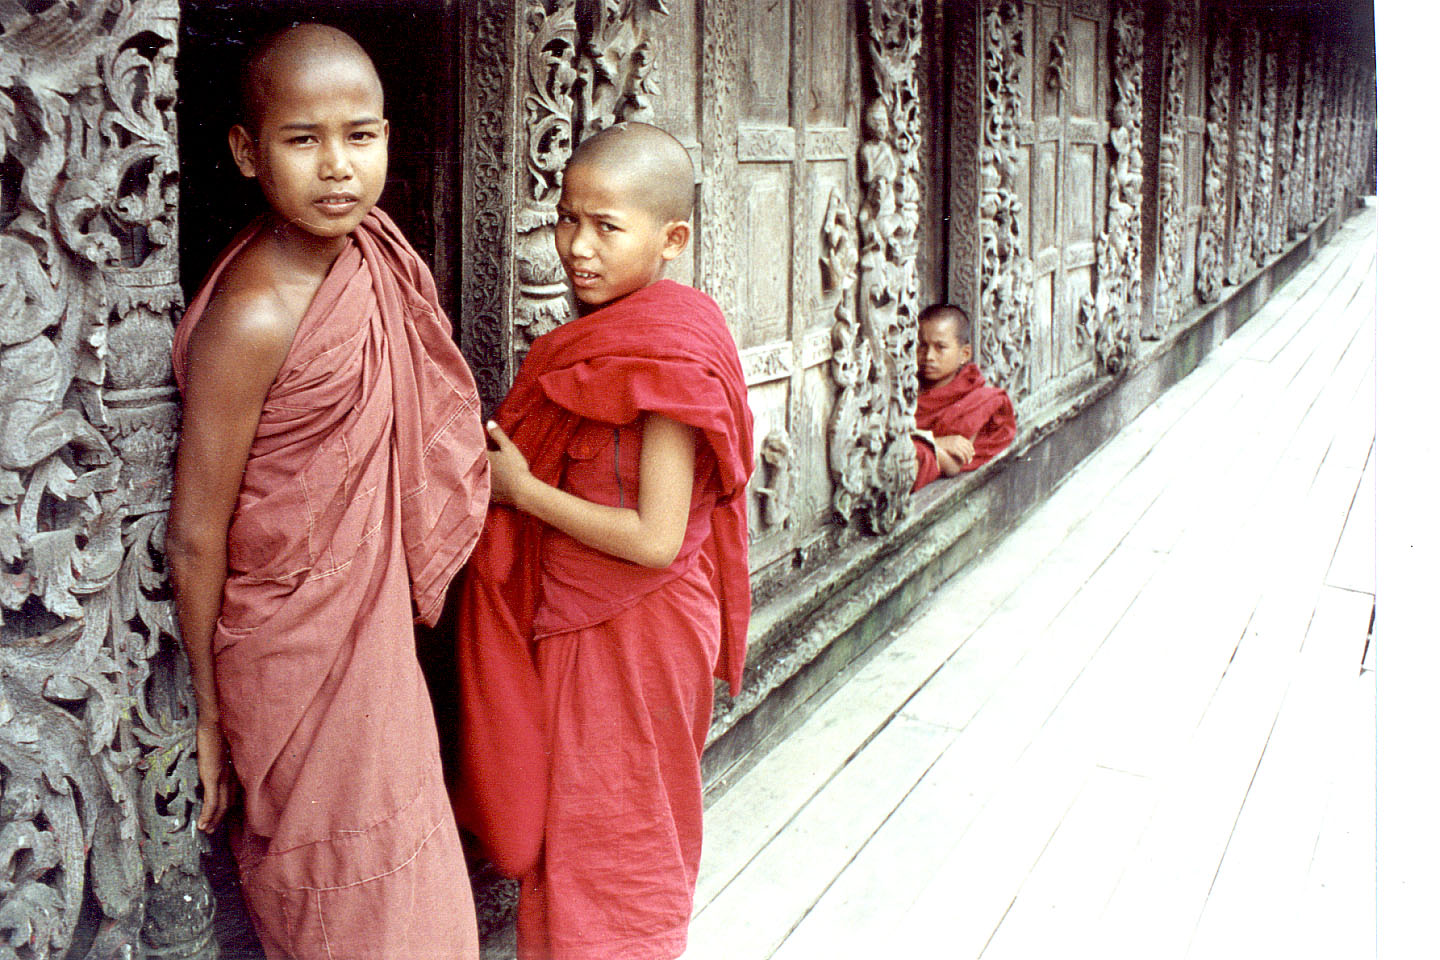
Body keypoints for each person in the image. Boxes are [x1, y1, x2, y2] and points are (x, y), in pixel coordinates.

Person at [164, 25, 488, 958]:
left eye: (362, 135)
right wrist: (211, 716)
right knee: (330, 898)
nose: (339, 168)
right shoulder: (256, 312)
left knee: (409, 885)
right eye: (303, 140)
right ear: (245, 151)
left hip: (371, 647)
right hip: (288, 661)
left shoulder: (371, 263)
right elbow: (196, 534)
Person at [451, 122, 754, 960]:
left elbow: (656, 539)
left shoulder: (671, 354)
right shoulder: (602, 335)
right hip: (581, 620)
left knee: (622, 833)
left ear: (672, 239)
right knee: (575, 826)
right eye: (567, 219)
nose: (577, 248)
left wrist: (524, 493)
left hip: (642, 627)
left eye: (607, 227)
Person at [911, 303, 1017, 490]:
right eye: (922, 346)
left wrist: (922, 444)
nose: (928, 356)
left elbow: (953, 461)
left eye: (940, 347)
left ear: (964, 354)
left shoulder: (977, 400)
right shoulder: (906, 385)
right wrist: (937, 442)